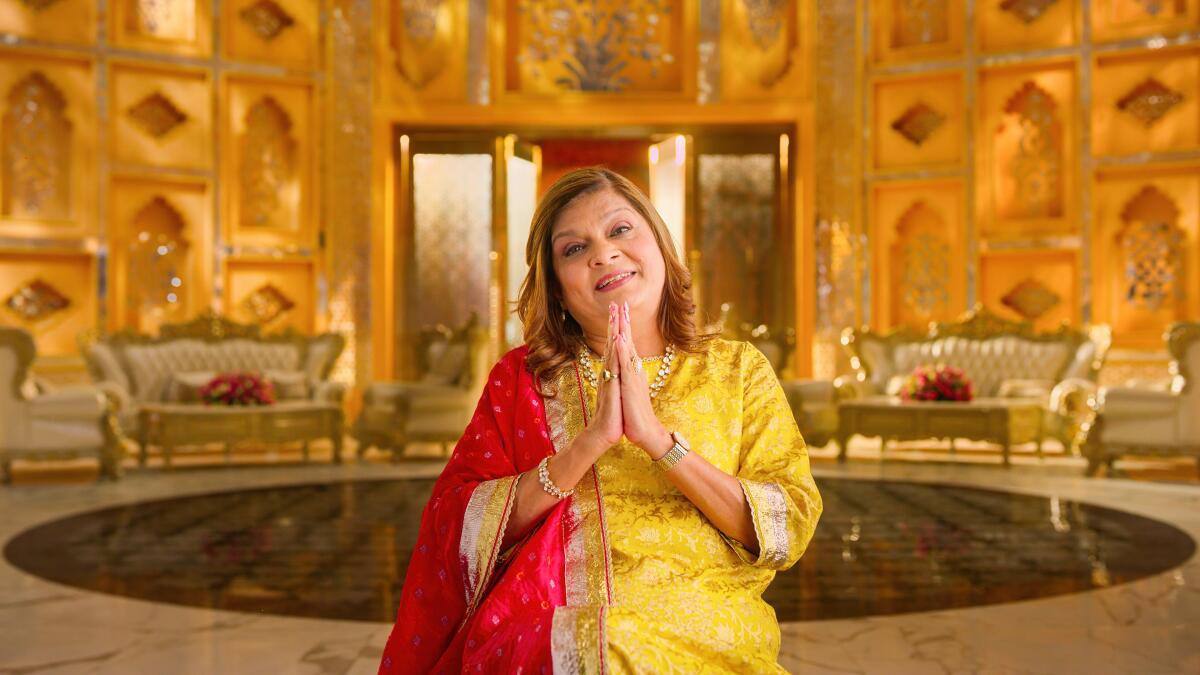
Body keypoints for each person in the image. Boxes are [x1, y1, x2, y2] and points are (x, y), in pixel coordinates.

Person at [379, 167, 822, 674]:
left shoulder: (737, 369)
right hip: (556, 628)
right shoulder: (522, 379)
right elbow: (457, 527)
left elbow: (787, 528)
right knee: (593, 647)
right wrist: (589, 445)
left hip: (710, 625)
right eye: (574, 249)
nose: (603, 254)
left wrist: (658, 442)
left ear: (658, 242)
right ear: (558, 289)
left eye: (620, 230)